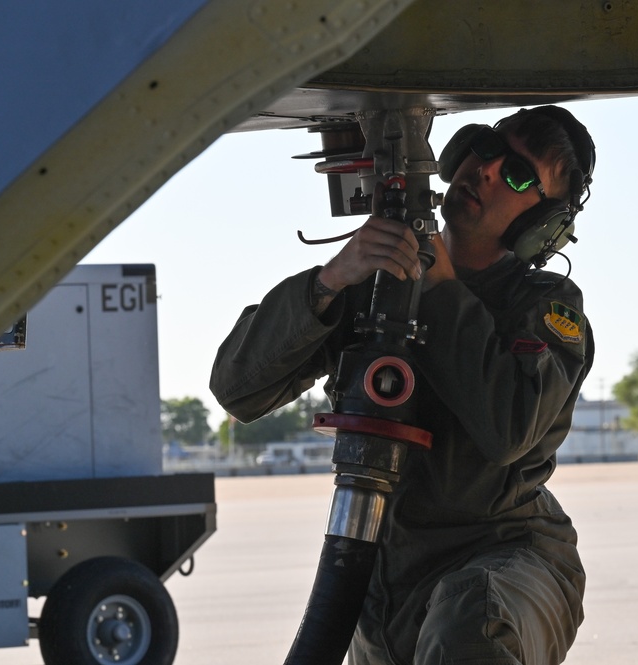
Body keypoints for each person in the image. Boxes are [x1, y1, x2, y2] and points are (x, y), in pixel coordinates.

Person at [210, 105, 596, 665]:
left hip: (503, 556)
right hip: (384, 580)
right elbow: (236, 387)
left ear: (542, 223)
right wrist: (329, 282)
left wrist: (438, 287)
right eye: (489, 149)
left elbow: (509, 428)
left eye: (517, 176)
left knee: (469, 627)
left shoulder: (546, 309)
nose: (487, 170)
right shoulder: (375, 283)